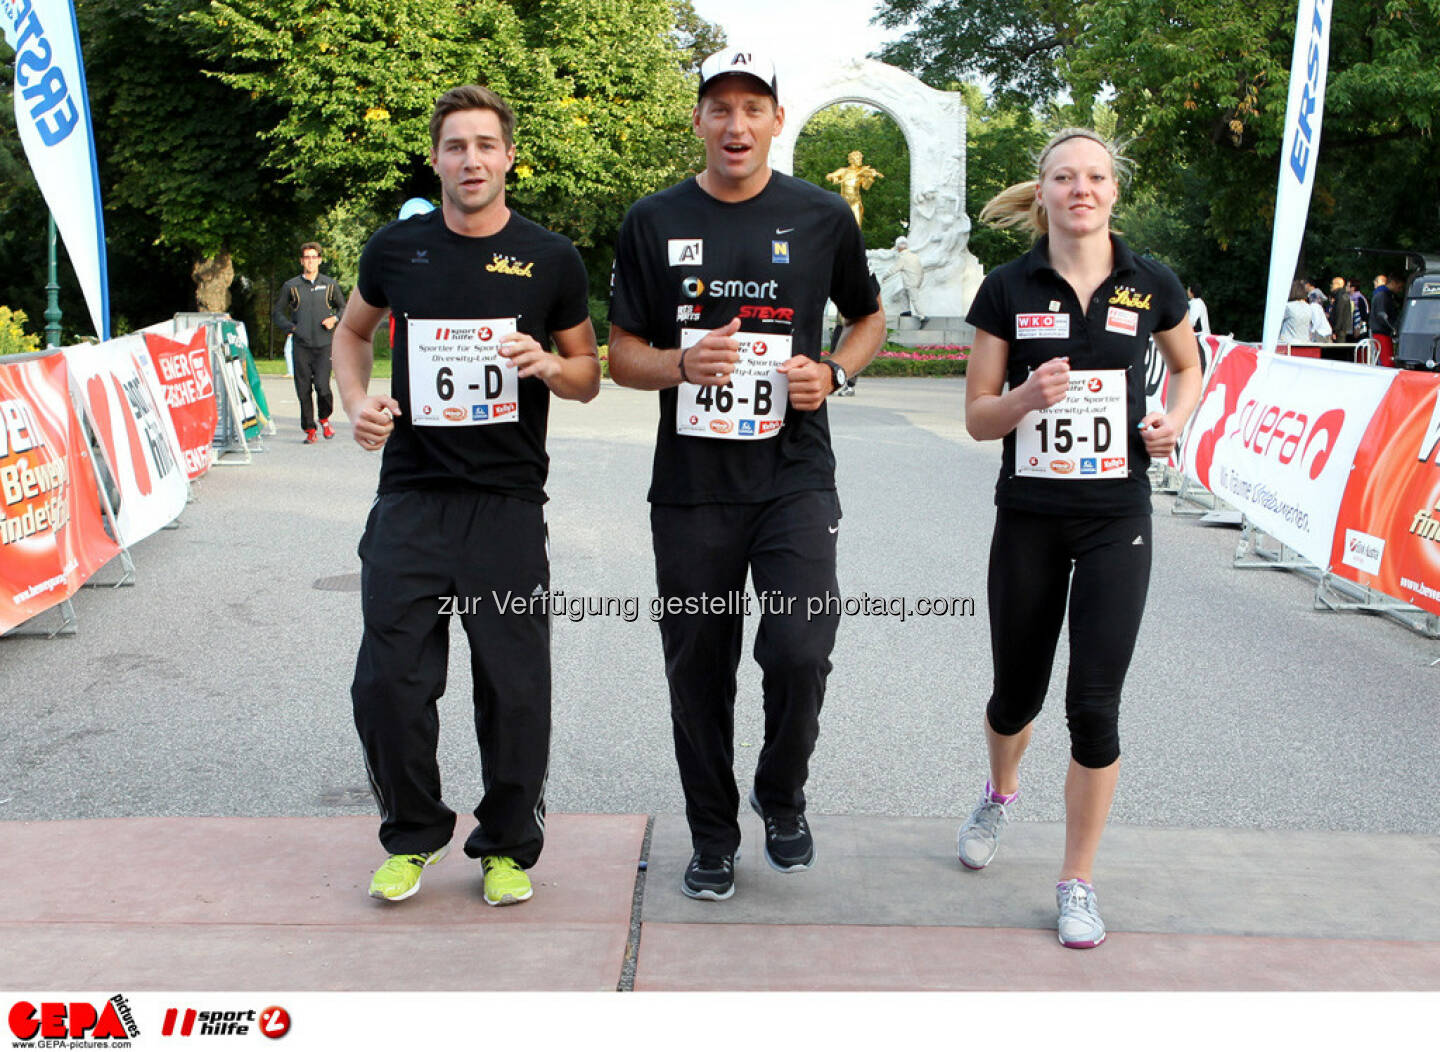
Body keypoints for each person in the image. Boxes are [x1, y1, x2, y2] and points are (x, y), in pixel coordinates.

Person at [608, 47, 885, 902]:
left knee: (801, 649)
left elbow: (869, 318)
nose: (735, 124)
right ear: (698, 119)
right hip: (692, 485)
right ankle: (712, 834)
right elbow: (621, 356)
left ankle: (782, 793)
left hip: (794, 473)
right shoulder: (652, 220)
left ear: (776, 118)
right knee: (698, 664)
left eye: (752, 108)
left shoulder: (822, 214)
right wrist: (680, 364)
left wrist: (834, 372)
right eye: (719, 108)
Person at [330, 85, 601, 907]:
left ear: (509, 156)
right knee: (389, 683)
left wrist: (551, 367)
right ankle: (413, 835)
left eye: (486, 145)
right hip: (411, 496)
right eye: (456, 146)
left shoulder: (551, 257)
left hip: (507, 505)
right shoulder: (396, 248)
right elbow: (350, 332)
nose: (471, 160)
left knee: (514, 685)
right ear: (436, 157)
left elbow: (589, 373)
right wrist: (358, 403)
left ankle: (508, 845)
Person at [958, 128, 1201, 949]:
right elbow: (976, 416)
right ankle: (1000, 791)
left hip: (1115, 517)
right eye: (1065, 177)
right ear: (1045, 190)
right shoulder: (1006, 287)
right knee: (1014, 696)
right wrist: (1025, 398)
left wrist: (1174, 420)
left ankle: (1077, 881)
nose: (1081, 189)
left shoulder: (1149, 282)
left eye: (1095, 176)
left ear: (1113, 191)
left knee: (1094, 705)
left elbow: (1191, 367)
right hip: (1028, 514)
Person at [273, 242, 346, 443]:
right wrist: (291, 328)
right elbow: (277, 313)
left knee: (323, 387)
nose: (310, 261)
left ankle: (324, 417)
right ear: (301, 261)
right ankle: (310, 429)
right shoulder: (291, 286)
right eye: (306, 257)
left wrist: (334, 319)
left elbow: (344, 308)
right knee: (303, 390)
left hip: (324, 345)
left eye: (314, 257)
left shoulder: (329, 285)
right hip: (301, 346)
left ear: (320, 260)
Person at [887, 236, 927, 326]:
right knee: (903, 294)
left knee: (914, 299)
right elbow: (921, 270)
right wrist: (919, 282)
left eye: (897, 247)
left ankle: (923, 316)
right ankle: (906, 311)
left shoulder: (903, 257)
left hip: (910, 281)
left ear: (899, 247)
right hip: (915, 281)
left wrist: (885, 277)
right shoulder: (915, 257)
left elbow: (895, 269)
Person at [1278, 279, 1315, 343]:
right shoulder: (1309, 307)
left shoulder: (1288, 307)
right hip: (1305, 342)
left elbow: (1277, 322)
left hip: (1288, 342)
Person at [1328, 276, 1354, 342]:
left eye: (1333, 284)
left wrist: (1335, 330)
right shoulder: (1343, 295)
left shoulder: (1340, 297)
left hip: (1340, 331)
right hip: (1342, 329)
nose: (1331, 286)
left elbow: (1339, 314)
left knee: (1338, 350)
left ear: (1339, 284)